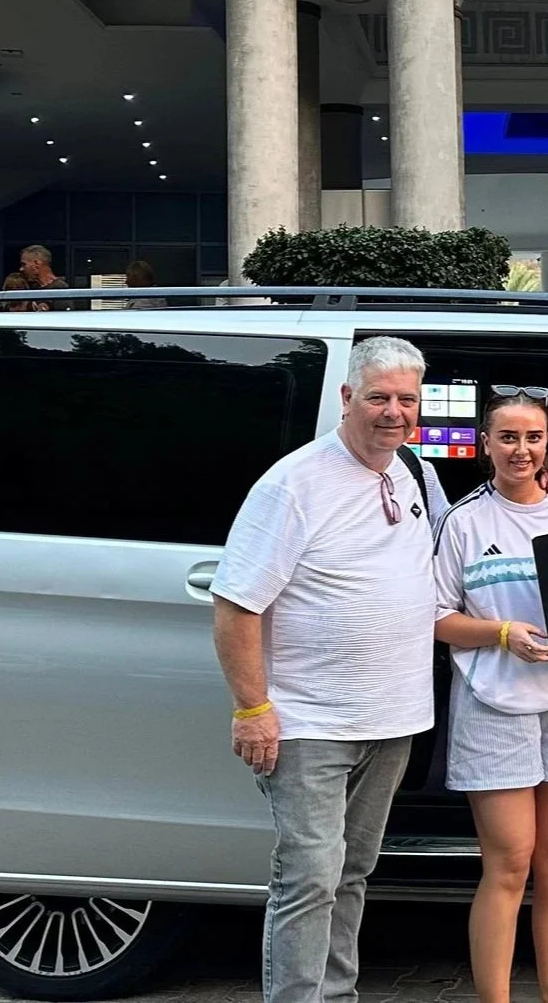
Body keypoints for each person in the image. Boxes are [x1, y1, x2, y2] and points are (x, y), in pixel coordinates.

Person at [210, 336, 440, 1003]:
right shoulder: (294, 484)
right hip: (310, 721)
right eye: (378, 397)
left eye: (405, 399)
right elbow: (235, 605)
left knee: (354, 870)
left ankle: (334, 996)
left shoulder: (413, 473)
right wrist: (253, 709)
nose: (392, 412)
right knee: (310, 876)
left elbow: (454, 563)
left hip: (392, 719)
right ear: (346, 398)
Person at [433, 389, 548, 1003]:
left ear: (547, 442)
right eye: (508, 437)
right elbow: (434, 617)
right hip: (493, 707)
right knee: (508, 866)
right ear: (485, 445)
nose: (521, 450)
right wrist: (502, 634)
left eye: (533, 437)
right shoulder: (464, 521)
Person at [18, 245, 75, 310]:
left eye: (24, 264)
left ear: (36, 263)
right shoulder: (33, 288)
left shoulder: (59, 288)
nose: (21, 269)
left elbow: (65, 318)